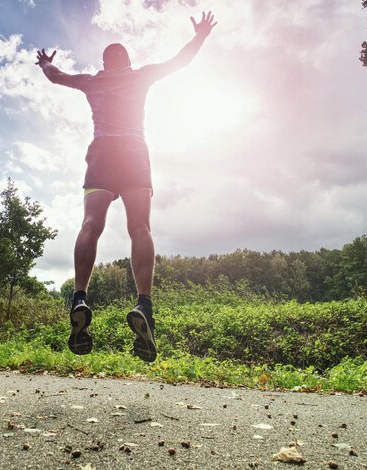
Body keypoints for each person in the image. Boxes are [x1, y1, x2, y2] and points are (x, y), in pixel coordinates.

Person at [36, 11, 217, 362]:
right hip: (134, 154)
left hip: (101, 154)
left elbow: (57, 77)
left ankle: (79, 297)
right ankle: (144, 304)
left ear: (104, 63)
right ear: (128, 60)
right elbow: (180, 61)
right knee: (140, 227)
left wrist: (45, 64)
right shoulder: (141, 75)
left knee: (91, 224)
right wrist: (201, 35)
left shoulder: (92, 80)